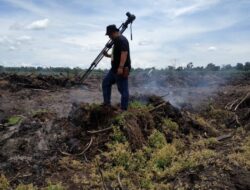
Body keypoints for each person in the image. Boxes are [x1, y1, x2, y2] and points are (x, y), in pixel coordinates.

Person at [102, 24, 131, 110]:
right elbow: (116, 55)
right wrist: (107, 55)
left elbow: (124, 53)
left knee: (123, 90)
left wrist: (121, 67)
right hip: (114, 69)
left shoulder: (121, 40)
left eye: (110, 35)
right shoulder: (117, 41)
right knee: (106, 83)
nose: (109, 37)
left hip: (120, 69)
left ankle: (123, 109)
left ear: (114, 32)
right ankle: (106, 104)